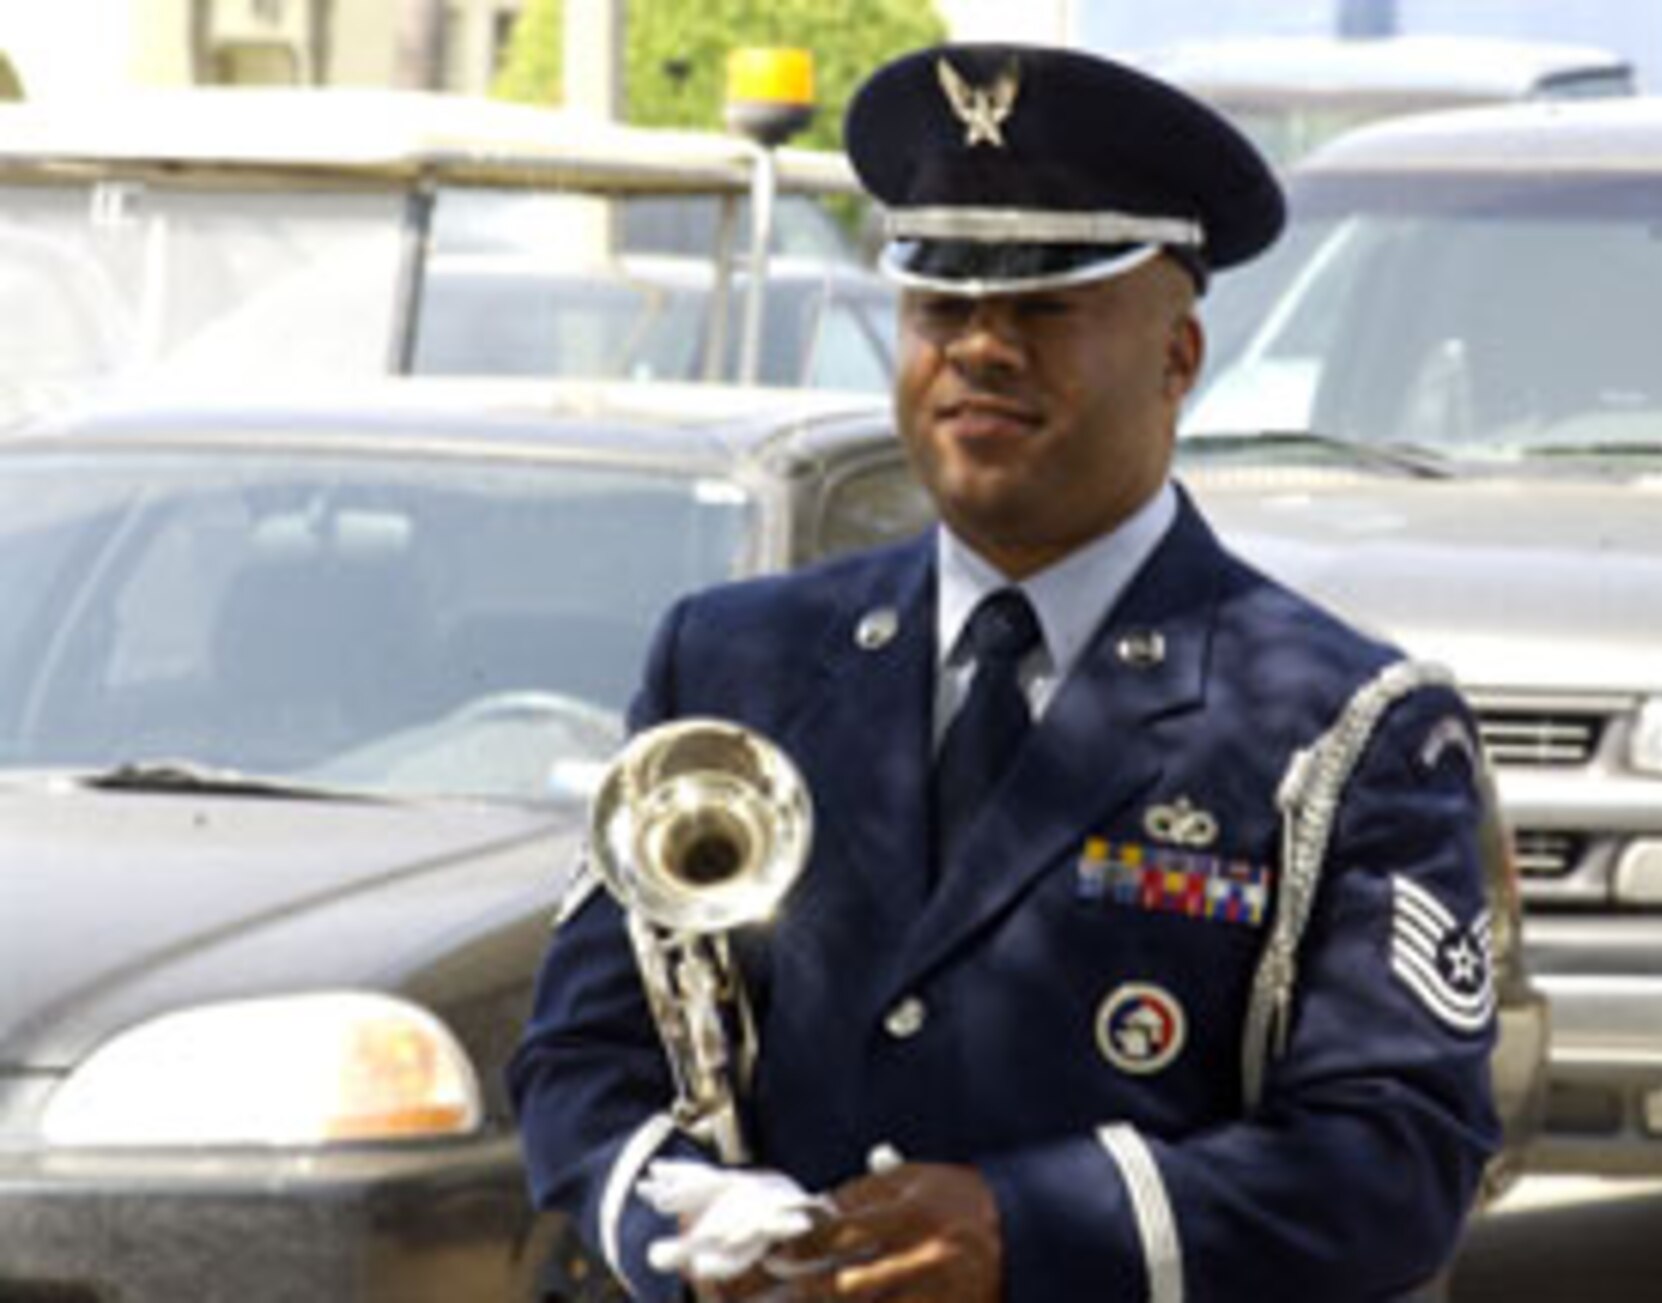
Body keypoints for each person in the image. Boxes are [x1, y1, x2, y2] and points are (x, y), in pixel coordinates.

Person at [510, 41, 1500, 1303]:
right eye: (939, 306)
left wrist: (1030, 1232)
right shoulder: (733, 662)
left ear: (1177, 358)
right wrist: (684, 1230)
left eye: (1044, 307)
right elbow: (580, 1055)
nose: (979, 349)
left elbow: (1397, 1156)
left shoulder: (1340, 723)